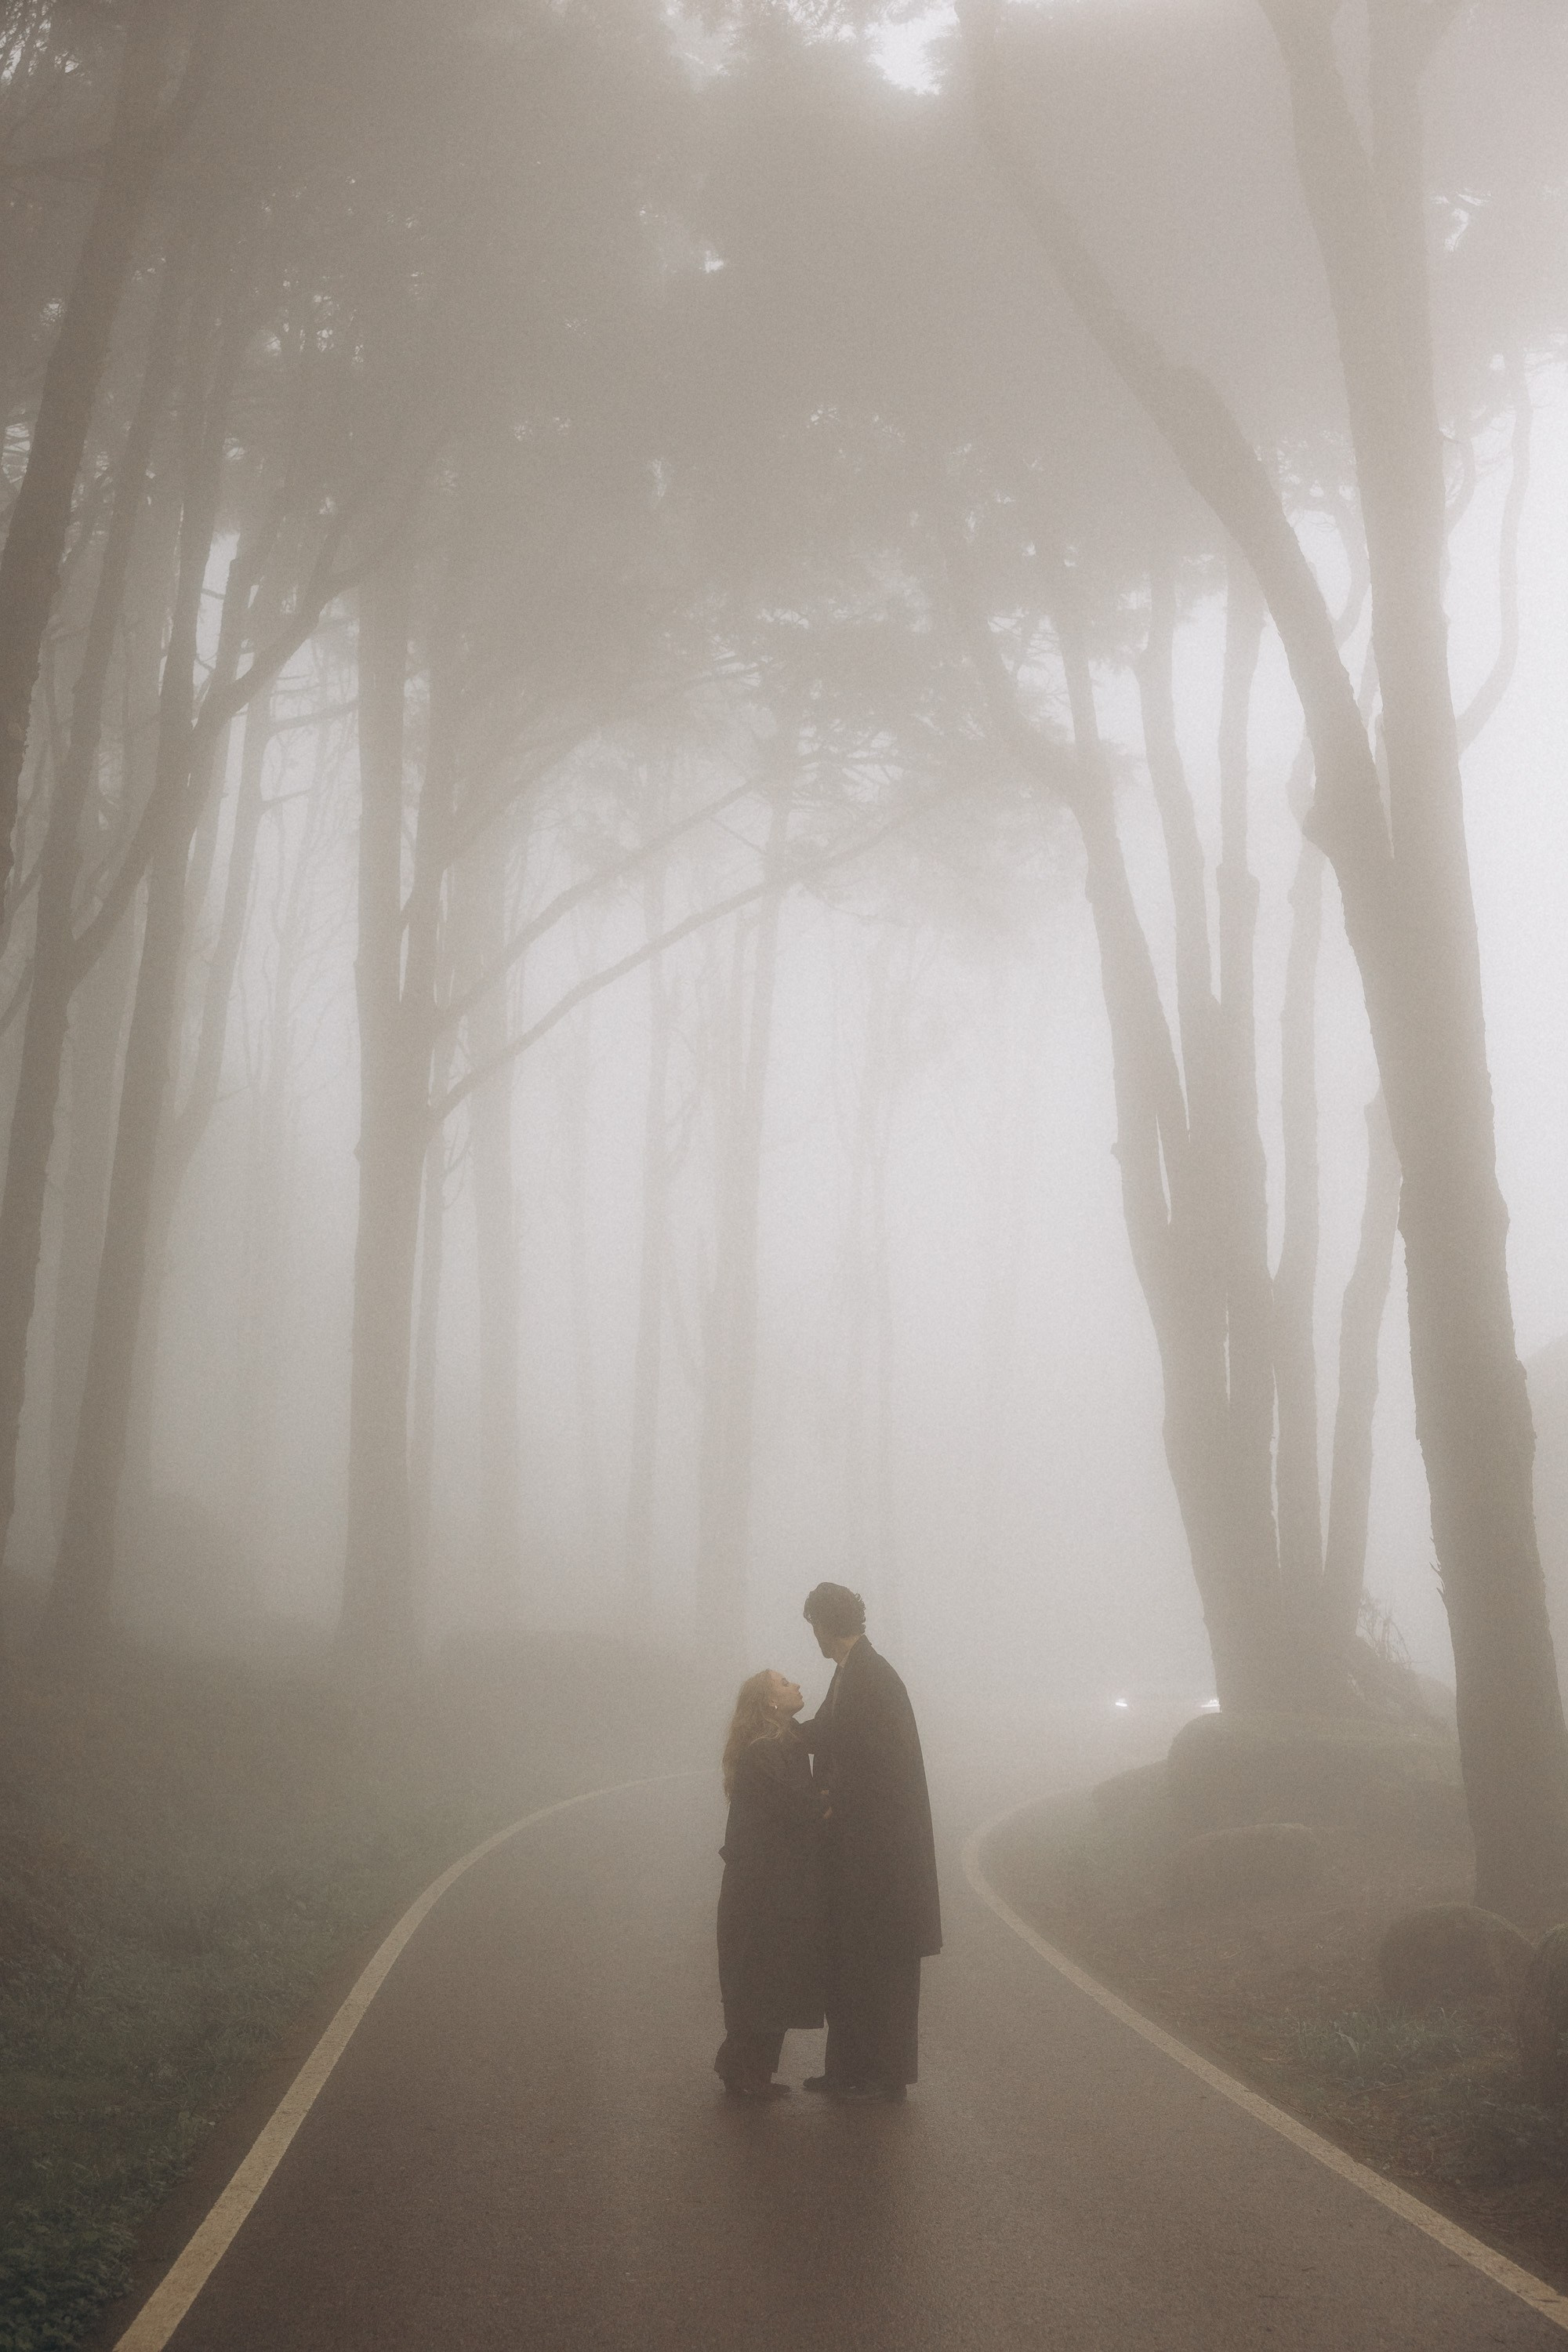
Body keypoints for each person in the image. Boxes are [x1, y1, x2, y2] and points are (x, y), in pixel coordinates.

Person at [800, 1583, 940, 2103]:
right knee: (851, 1959)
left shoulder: (873, 1677)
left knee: (884, 1963)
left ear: (823, 1624)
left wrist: (841, 1800)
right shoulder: (851, 1674)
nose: (811, 1635)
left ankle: (886, 2074)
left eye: (813, 1624)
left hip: (883, 1857)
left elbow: (886, 1763)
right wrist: (775, 1733)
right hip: (858, 1852)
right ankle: (850, 2069)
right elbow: (829, 1733)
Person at [714, 1668, 828, 2100]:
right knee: (760, 1974)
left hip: (773, 1882)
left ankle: (753, 2073)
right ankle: (741, 2070)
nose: (797, 1685)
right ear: (769, 1703)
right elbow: (797, 1805)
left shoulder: (783, 1742)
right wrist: (828, 1805)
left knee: (772, 1974)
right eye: (784, 1684)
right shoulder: (764, 1751)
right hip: (759, 1888)